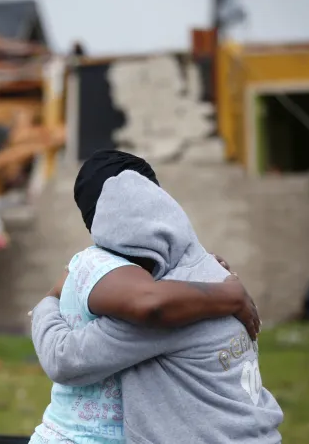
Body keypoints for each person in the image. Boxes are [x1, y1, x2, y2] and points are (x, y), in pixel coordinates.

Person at [27, 151, 269, 444]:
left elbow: (63, 357)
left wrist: (46, 304)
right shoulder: (209, 274)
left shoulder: (172, 306)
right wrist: (228, 292)